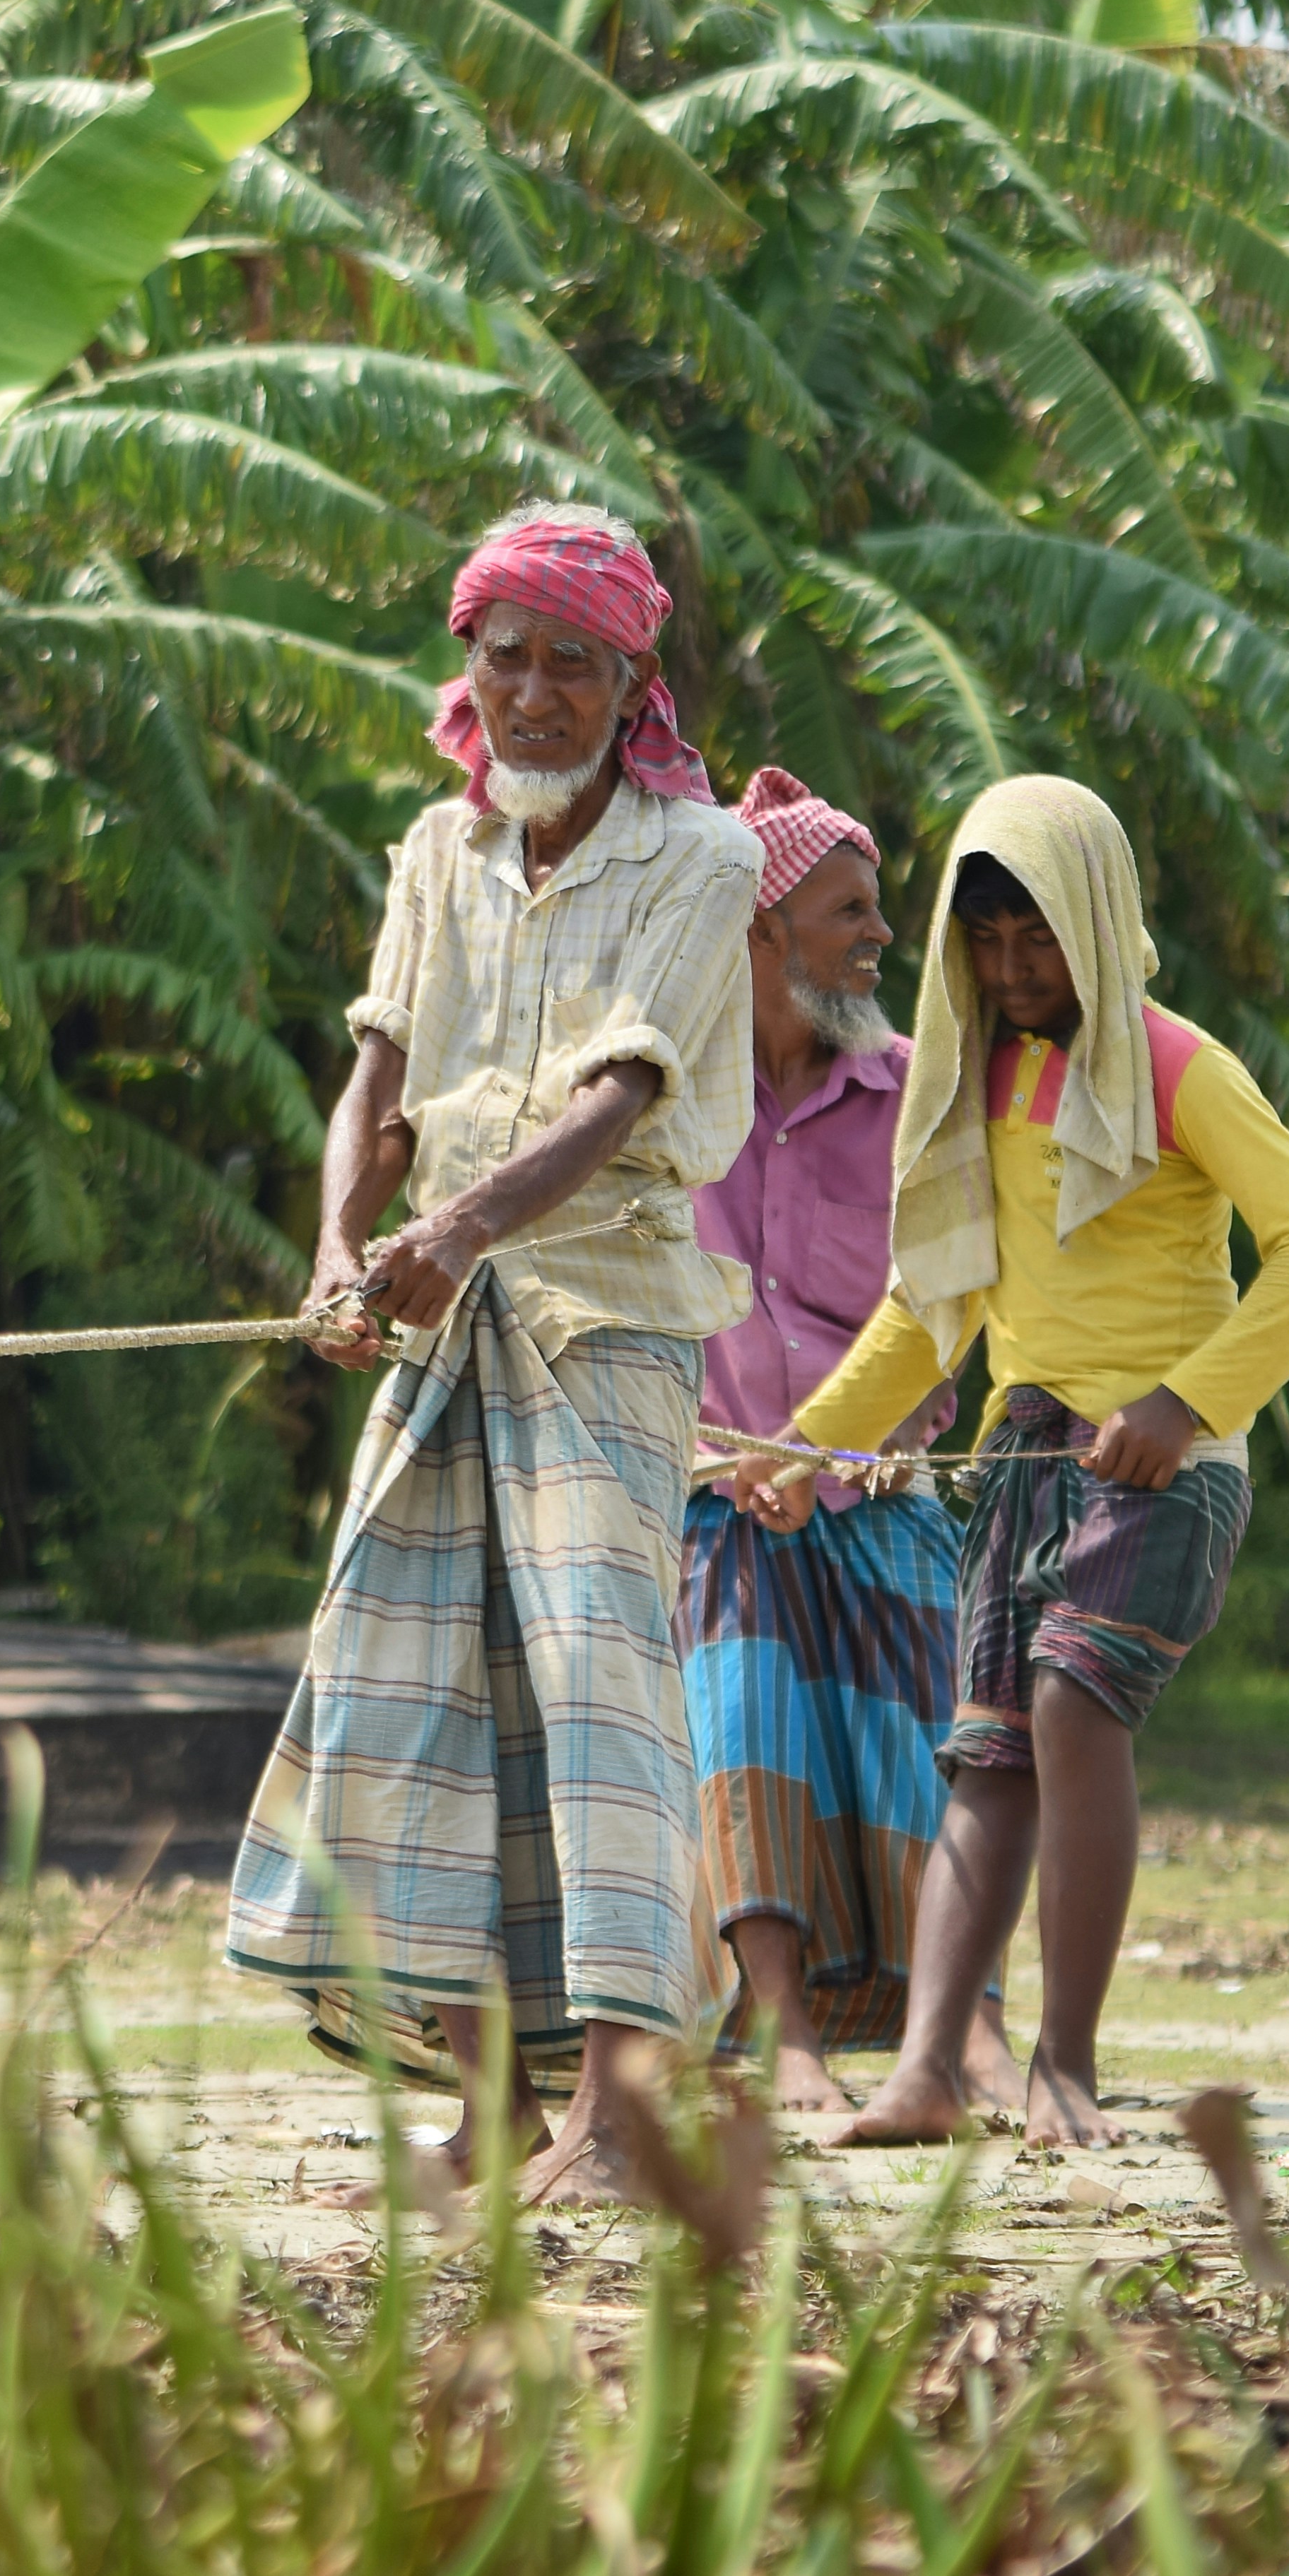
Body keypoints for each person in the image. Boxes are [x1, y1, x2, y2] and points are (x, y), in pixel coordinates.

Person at [228, 504, 761, 2208]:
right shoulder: (433, 855)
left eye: (573, 666)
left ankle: (620, 2109)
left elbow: (624, 1099)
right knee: (415, 1692)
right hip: (434, 1318)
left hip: (602, 1324)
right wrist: (338, 1247)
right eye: (506, 657)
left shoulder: (706, 861)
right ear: (469, 667)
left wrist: (454, 1234)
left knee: (604, 1697)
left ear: (630, 686)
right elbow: (377, 1081)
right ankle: (489, 2112)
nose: (534, 694)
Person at [733, 776, 1289, 2149]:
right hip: (1020, 1452)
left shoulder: (1185, 1067)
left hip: (1162, 1464)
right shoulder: (975, 1080)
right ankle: (928, 2075)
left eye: (1041, 939)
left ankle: (1065, 2063)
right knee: (987, 1755)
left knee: (1076, 1706)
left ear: (1099, 918)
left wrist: (1187, 1403)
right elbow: (929, 1305)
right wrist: (803, 1450)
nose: (1016, 970)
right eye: (990, 941)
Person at [684, 769, 1022, 2115]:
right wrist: (735, 1462)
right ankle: (782, 2030)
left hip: (882, 1482)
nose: (881, 938)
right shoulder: (668, 1098)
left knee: (933, 1750)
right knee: (743, 1721)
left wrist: (849, 1448)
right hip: (715, 1494)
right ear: (762, 931)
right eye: (850, 913)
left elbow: (944, 1309)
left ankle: (975, 2033)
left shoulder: (917, 1098)